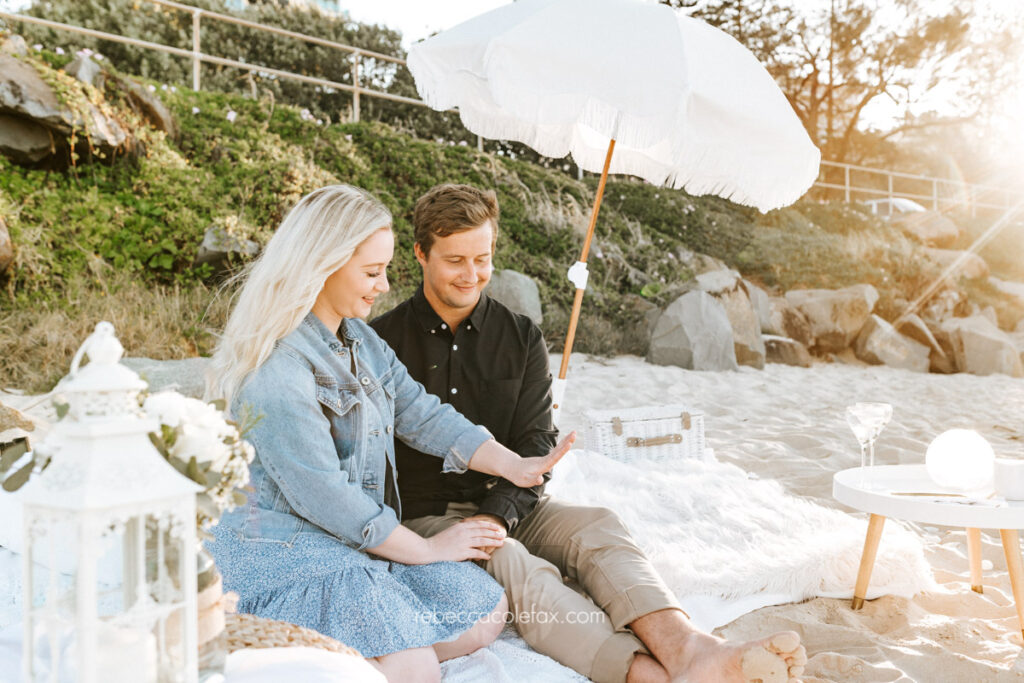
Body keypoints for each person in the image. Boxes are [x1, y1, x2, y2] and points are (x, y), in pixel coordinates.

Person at [371, 184, 808, 683]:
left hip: (510, 502)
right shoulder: (381, 341)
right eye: (455, 261)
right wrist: (477, 534)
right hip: (426, 516)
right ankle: (648, 676)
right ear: (420, 253)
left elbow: (536, 443)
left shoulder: (521, 336)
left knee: (598, 525)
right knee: (514, 563)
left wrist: (497, 515)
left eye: (482, 258)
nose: (472, 274)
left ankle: (691, 648)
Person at [205, 184, 575, 683]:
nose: (383, 286)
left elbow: (422, 413)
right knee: (415, 668)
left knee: (484, 610)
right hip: (290, 552)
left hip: (354, 543)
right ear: (323, 265)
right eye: (372, 272)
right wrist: (428, 549)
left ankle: (343, 647)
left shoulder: (360, 339)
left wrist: (513, 464)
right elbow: (328, 497)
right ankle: (301, 647)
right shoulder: (279, 370)